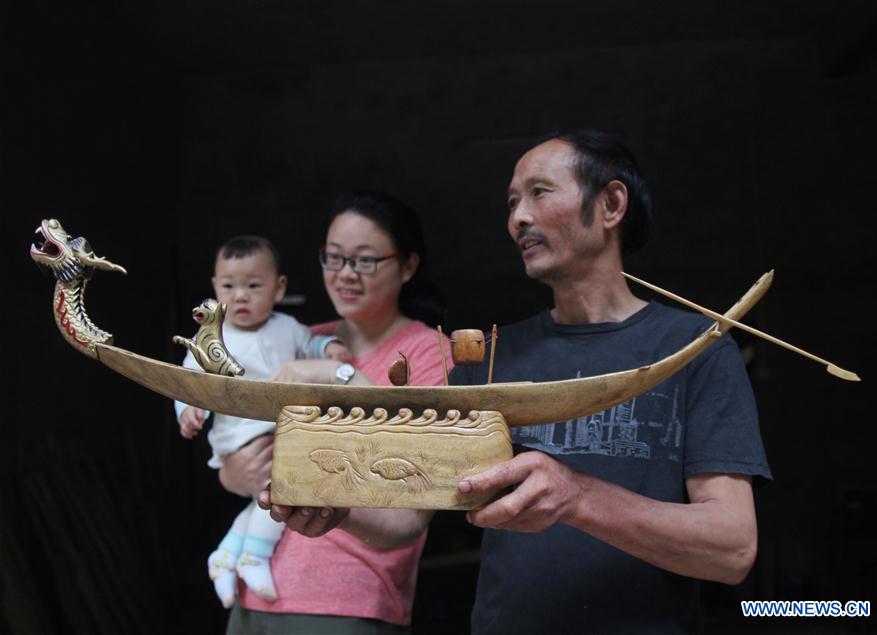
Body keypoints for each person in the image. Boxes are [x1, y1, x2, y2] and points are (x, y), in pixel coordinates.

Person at [266, 130, 771, 634]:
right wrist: (338, 510)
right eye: (512, 202)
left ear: (612, 203)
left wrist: (577, 497)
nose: (517, 218)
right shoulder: (487, 362)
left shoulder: (695, 352)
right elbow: (407, 519)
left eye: (540, 192)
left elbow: (732, 548)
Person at [219, 191, 453, 634]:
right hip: (255, 593)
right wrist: (233, 471)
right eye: (333, 258)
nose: (345, 274)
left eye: (364, 261)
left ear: (408, 266)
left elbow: (414, 496)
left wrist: (338, 373)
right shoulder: (300, 338)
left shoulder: (430, 353)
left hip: (348, 603)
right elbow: (243, 446)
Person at [175, 235, 350, 608]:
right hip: (240, 436)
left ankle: (225, 557)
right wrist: (188, 409)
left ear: (278, 287)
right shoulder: (212, 336)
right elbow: (190, 381)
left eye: (253, 286)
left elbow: (311, 345)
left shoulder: (287, 326)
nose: (240, 296)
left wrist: (330, 347)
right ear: (214, 288)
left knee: (266, 499)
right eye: (229, 286)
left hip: (281, 431)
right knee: (284, 489)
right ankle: (255, 556)